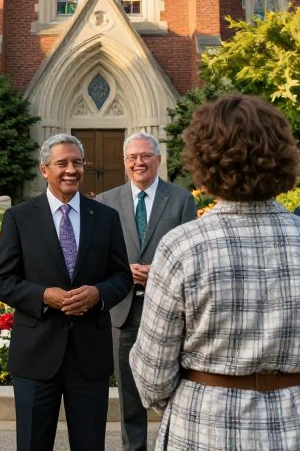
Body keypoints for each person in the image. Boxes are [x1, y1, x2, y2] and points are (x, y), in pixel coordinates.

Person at [129, 95, 300, 449]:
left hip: (204, 429)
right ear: (281, 157)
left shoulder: (182, 247)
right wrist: (294, 392)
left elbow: (152, 377)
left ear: (205, 161)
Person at [0, 134, 132, 451]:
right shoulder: (19, 218)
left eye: (77, 162)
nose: (71, 170)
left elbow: (122, 276)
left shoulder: (105, 217)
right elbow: (2, 280)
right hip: (36, 356)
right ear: (44, 169)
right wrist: (43, 296)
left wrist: (98, 293)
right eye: (62, 163)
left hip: (88, 357)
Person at [97, 131, 197, 451]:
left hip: (168, 308)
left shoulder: (181, 199)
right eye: (132, 157)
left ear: (158, 160)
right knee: (128, 392)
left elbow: (191, 255)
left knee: (176, 387)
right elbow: (97, 255)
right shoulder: (106, 201)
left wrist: (160, 271)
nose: (139, 162)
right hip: (122, 309)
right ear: (124, 162)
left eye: (145, 156)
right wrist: (123, 270)